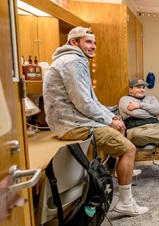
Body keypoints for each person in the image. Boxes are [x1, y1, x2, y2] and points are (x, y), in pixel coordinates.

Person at [43, 27, 149, 216]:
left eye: (94, 43)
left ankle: (119, 172)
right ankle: (125, 203)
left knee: (118, 127)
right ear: (74, 43)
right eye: (88, 42)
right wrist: (110, 121)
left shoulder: (72, 60)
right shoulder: (72, 62)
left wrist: (110, 116)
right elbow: (83, 102)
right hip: (72, 124)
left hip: (71, 121)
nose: (93, 47)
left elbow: (90, 100)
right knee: (129, 149)